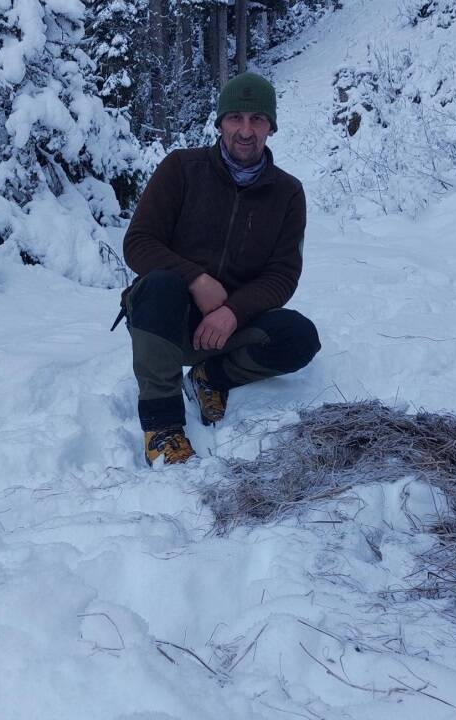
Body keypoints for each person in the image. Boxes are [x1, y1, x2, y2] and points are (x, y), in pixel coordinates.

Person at [117, 71, 320, 466]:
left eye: (257, 119)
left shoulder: (287, 192)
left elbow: (283, 273)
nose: (246, 130)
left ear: (271, 128)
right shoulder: (181, 168)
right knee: (158, 284)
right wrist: (196, 279)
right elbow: (138, 243)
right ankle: (162, 427)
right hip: (165, 322)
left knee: (300, 336)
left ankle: (212, 377)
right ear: (220, 123)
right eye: (235, 118)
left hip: (229, 328)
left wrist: (233, 311)